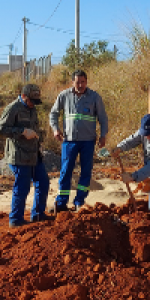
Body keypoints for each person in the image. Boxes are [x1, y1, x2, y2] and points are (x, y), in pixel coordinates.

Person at [49, 69, 109, 212]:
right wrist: (55, 129)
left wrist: (103, 135)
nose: (80, 85)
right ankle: (61, 203)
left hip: (88, 142)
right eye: (77, 82)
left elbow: (103, 118)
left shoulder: (94, 97)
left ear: (86, 82)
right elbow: (53, 113)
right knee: (65, 171)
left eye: (83, 82)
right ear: (72, 82)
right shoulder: (64, 96)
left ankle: (79, 201)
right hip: (69, 141)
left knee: (86, 172)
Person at [0, 83, 50, 225]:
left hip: (34, 154)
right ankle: (16, 220)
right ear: (23, 96)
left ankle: (38, 214)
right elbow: (1, 130)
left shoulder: (32, 109)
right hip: (19, 155)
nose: (33, 105)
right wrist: (21, 132)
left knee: (43, 182)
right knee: (22, 187)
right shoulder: (13, 108)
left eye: (35, 102)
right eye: (31, 101)